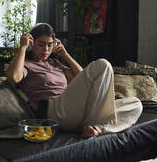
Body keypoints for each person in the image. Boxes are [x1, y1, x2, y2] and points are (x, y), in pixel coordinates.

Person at [7, 23, 142, 138]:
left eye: (49, 45)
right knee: (103, 65)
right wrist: (23, 48)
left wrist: (65, 55)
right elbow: (14, 77)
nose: (46, 49)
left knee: (135, 104)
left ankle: (95, 129)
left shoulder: (55, 63)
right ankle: (92, 123)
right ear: (32, 44)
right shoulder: (27, 64)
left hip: (74, 110)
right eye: (41, 44)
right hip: (53, 110)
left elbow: (84, 77)